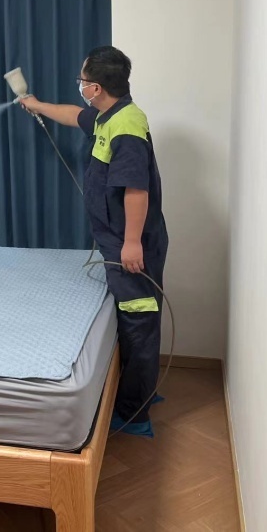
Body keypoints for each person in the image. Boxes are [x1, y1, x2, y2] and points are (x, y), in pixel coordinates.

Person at [19, 46, 169, 437]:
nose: (80, 86)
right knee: (138, 317)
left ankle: (135, 414)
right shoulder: (109, 114)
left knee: (138, 320)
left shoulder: (126, 126)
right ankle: (142, 392)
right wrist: (36, 104)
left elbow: (136, 190)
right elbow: (74, 114)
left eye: (82, 81)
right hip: (119, 239)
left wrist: (131, 243)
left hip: (131, 243)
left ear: (96, 87)